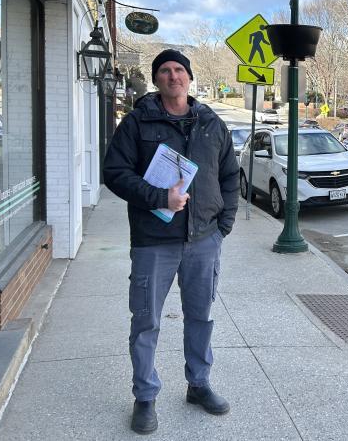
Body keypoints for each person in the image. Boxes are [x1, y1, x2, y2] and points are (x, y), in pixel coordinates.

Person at [103, 49, 239, 435]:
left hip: (204, 240)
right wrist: (160, 198)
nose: (173, 76)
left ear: (190, 77)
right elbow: (114, 172)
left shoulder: (212, 123)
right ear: (156, 79)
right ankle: (145, 396)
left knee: (200, 317)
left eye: (180, 69)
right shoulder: (138, 122)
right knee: (146, 321)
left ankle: (199, 384)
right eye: (165, 70)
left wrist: (223, 226)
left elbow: (230, 176)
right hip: (153, 242)